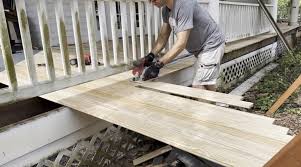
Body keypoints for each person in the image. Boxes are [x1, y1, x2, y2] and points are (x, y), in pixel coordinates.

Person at [138, 0, 225, 91]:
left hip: (212, 44)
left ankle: (212, 104)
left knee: (198, 86)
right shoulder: (166, 10)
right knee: (206, 83)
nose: (152, 2)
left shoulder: (184, 5)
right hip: (201, 50)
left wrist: (158, 65)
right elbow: (163, 36)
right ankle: (218, 103)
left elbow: (181, 43)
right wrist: (150, 56)